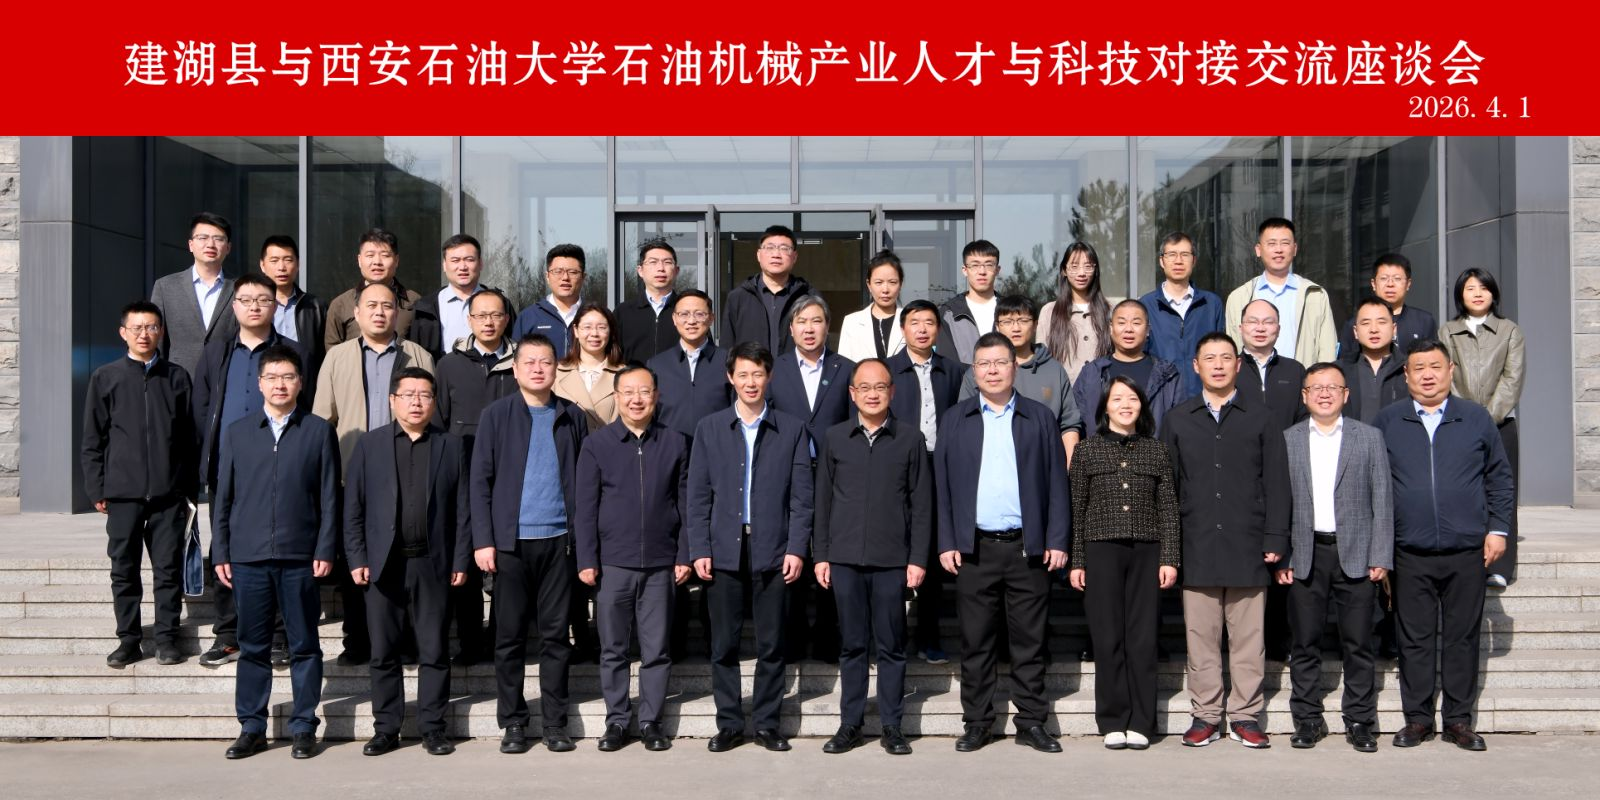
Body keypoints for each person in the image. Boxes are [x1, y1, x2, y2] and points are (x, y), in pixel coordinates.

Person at [1374, 339, 1514, 752]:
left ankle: (1458, 720)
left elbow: (1499, 477)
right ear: (1406, 375)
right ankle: (1417, 719)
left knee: (1462, 638)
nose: (1428, 375)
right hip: (1409, 550)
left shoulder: (1475, 418)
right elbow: (1374, 484)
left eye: (1435, 366)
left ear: (1451, 370)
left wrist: (1498, 528)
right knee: (1413, 639)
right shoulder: (1388, 421)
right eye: (1418, 368)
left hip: (1466, 548)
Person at [936, 332, 1070, 755]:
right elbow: (942, 486)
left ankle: (1031, 722)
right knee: (976, 642)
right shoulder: (955, 419)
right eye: (983, 364)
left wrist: (1056, 538)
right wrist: (946, 540)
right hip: (974, 549)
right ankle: (977, 723)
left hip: (1027, 548)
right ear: (973, 371)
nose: (992, 371)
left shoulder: (1039, 417)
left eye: (999, 363)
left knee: (1029, 642)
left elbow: (1057, 483)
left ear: (1014, 367)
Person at [1160, 332, 1291, 749]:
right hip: (1196, 543)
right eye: (1209, 358)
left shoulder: (1262, 417)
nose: (1217, 365)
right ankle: (1205, 714)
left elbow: (1277, 482)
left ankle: (1245, 716)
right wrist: (1170, 548)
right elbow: (1167, 489)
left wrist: (1276, 536)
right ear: (1195, 366)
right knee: (1200, 639)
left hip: (1248, 543)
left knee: (1249, 640)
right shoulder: (1178, 419)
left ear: (1238, 365)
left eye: (1225, 358)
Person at [211, 345, 339, 761]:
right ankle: (252, 727)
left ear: (300, 383)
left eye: (288, 377)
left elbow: (329, 497)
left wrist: (325, 546)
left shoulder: (318, 431)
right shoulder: (238, 432)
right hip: (248, 557)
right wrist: (221, 551)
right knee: (253, 646)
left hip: (300, 556)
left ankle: (303, 726)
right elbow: (223, 499)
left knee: (304, 645)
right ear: (260, 383)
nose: (280, 384)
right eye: (272, 377)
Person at [687, 342, 813, 753]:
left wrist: (797, 548)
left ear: (769, 377)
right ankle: (728, 723)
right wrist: (699, 548)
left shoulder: (791, 429)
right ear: (731, 378)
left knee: (772, 645)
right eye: (743, 374)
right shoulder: (710, 428)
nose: (750, 382)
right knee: (723, 644)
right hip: (723, 549)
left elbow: (802, 497)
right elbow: (698, 495)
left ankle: (766, 724)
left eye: (757, 373)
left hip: (774, 549)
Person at [470, 333, 589, 755]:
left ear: (557, 368)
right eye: (530, 362)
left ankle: (555, 723)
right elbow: (480, 481)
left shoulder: (572, 415)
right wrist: (484, 541)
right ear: (516, 369)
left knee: (556, 638)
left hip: (559, 543)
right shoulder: (496, 415)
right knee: (509, 638)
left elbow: (584, 483)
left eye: (546, 362)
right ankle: (514, 723)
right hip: (510, 546)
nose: (538, 369)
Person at [344, 367, 470, 757]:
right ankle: (386, 729)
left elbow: (463, 509)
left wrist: (460, 558)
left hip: (433, 563)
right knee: (383, 652)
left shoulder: (451, 446)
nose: (417, 402)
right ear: (392, 400)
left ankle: (433, 728)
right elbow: (354, 507)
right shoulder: (370, 445)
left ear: (434, 402)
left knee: (434, 651)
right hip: (384, 564)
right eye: (408, 395)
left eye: (425, 395)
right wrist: (356, 556)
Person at [813, 359, 932, 756]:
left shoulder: (910, 439)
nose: (872, 394)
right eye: (864, 387)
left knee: (891, 645)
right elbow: (823, 501)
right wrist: (821, 555)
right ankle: (850, 724)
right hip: (844, 558)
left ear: (892, 391)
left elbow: (921, 505)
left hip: (891, 559)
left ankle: (892, 726)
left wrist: (917, 559)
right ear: (852, 394)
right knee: (851, 645)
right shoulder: (835, 438)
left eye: (880, 387)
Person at [313, 280, 434, 665]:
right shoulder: (338, 357)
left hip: (409, 474)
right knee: (358, 559)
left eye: (387, 305)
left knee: (406, 563)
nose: (380, 312)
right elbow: (323, 420)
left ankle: (408, 639)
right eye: (372, 306)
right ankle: (357, 640)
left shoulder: (417, 354)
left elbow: (431, 414)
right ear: (357, 313)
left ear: (397, 313)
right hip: (355, 475)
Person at [573, 365, 692, 753]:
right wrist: (587, 558)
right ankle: (617, 721)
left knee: (656, 650)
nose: (636, 399)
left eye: (644, 391)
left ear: (656, 396)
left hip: (661, 562)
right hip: (613, 564)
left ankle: (651, 721)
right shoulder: (597, 444)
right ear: (617, 397)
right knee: (613, 649)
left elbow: (686, 504)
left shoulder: (675, 443)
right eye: (628, 392)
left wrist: (684, 553)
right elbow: (586, 508)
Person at [1276, 363, 1393, 753]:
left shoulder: (1368, 437)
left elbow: (1382, 500)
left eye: (1333, 387)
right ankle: (1307, 718)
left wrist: (1381, 555)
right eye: (1316, 387)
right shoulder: (1288, 439)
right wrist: (1283, 556)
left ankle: (1360, 720)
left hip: (1357, 552)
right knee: (1304, 642)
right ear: (1304, 395)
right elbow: (1280, 504)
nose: (1324, 393)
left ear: (1346, 395)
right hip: (1305, 552)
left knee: (1358, 642)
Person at [80, 301, 198, 668]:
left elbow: (189, 439)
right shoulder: (106, 377)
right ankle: (128, 641)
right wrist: (97, 488)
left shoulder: (177, 377)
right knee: (124, 570)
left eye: (151, 327)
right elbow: (92, 439)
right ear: (123, 332)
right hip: (123, 494)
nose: (144, 334)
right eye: (137, 327)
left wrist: (187, 489)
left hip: (168, 495)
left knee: (167, 570)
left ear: (160, 332)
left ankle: (167, 639)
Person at [192, 273, 299, 668]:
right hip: (227, 469)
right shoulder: (216, 351)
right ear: (233, 306)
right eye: (246, 299)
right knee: (225, 547)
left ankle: (278, 635)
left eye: (263, 299)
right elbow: (201, 409)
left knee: (278, 549)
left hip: (279, 467)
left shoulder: (292, 351)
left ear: (275, 305)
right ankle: (228, 634)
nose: (255, 306)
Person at [1067, 376, 1180, 751]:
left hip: (1147, 551)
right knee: (1107, 636)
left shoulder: (1156, 450)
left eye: (1132, 398)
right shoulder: (1087, 451)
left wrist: (1169, 557)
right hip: (1100, 549)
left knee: (1143, 638)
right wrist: (1077, 560)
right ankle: (1113, 719)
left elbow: (1168, 508)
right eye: (1117, 399)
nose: (1125, 405)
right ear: (1105, 407)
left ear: (1142, 405)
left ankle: (1142, 721)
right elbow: (1077, 509)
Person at [432, 288, 517, 663]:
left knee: (505, 563)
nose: (489, 322)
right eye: (481, 315)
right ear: (469, 320)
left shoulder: (519, 363)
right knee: (465, 557)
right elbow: (439, 421)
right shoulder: (449, 365)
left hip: (509, 475)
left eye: (496, 315)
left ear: (506, 319)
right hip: (462, 473)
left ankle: (499, 640)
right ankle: (468, 642)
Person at [767, 294, 852, 662]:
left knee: (832, 554)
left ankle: (829, 639)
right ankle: (794, 637)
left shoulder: (845, 369)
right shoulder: (775, 369)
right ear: (791, 329)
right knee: (793, 554)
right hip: (788, 475)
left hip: (835, 476)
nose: (809, 328)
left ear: (827, 326)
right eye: (802, 322)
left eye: (816, 320)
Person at [886, 299, 968, 665]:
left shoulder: (954, 371)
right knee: (894, 549)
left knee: (932, 552)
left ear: (938, 330)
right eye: (915, 322)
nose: (922, 329)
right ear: (903, 328)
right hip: (895, 467)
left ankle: (929, 637)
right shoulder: (887, 370)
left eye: (929, 323)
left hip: (939, 465)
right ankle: (893, 639)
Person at [1440, 268, 1525, 589]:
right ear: (1460, 294)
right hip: (1458, 424)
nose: (1477, 293)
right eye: (1470, 288)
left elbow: (1512, 379)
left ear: (1493, 293)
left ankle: (1500, 566)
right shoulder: (1448, 331)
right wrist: (1466, 417)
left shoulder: (1509, 331)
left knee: (1502, 491)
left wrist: (1486, 419)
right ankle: (1470, 559)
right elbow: (1445, 375)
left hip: (1501, 424)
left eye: (1483, 288)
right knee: (1465, 491)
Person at [958, 294, 1083, 463]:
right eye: (1008, 321)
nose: (1016, 328)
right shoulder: (982, 371)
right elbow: (964, 422)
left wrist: (1068, 469)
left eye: (1023, 321)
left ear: (1035, 324)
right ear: (997, 326)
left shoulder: (1054, 370)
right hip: (991, 461)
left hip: (1043, 462)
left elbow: (1069, 424)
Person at [1225, 218, 1337, 365]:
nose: (1279, 249)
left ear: (1294, 249)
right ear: (1258, 250)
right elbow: (1233, 349)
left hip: (1303, 377)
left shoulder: (1315, 295)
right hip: (1254, 377)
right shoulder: (1239, 298)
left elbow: (1327, 349)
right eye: (1271, 243)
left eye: (1285, 243)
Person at [1071, 300, 1181, 439]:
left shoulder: (1167, 374)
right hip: (1100, 451)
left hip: (1155, 451)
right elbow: (1074, 421)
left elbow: (1179, 423)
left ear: (1147, 330)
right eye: (1121, 323)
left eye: (1136, 323)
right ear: (1111, 328)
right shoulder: (1092, 373)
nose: (1128, 329)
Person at [149, 212, 238, 377]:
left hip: (225, 379)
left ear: (228, 247)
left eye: (218, 239)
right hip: (177, 379)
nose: (210, 244)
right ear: (191, 245)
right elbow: (156, 339)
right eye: (203, 238)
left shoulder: (240, 288)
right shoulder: (165, 286)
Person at [1140, 231, 1224, 399]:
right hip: (1161, 399)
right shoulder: (1146, 305)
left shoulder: (1211, 304)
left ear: (1194, 260)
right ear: (1162, 261)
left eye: (1185, 254)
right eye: (1171, 254)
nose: (1178, 261)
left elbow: (1221, 352)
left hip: (1204, 398)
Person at [647, 289, 733, 442]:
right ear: (674, 319)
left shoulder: (728, 361)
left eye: (699, 314)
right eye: (684, 314)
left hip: (717, 448)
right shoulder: (657, 365)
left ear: (711, 318)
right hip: (670, 450)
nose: (691, 321)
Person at [324, 228, 421, 352]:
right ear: (359, 260)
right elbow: (333, 352)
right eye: (370, 255)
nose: (377, 262)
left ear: (396, 260)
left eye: (385, 255)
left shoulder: (414, 302)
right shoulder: (341, 304)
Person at [411, 233, 504, 360]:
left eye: (469, 260)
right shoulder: (425, 307)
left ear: (480, 263)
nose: (462, 267)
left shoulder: (501, 304)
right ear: (444, 265)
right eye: (455, 260)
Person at [722, 225, 813, 353]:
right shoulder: (738, 297)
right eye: (770, 248)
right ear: (759, 255)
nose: (776, 254)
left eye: (784, 248)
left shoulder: (808, 296)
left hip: (796, 367)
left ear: (794, 257)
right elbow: (727, 347)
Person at [1039, 241, 1113, 383]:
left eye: (1088, 266)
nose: (1081, 273)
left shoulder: (1110, 310)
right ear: (1064, 270)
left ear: (1095, 270)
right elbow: (1042, 357)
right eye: (1074, 266)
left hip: (1102, 391)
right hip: (1064, 391)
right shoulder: (1050, 311)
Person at [1337, 254, 1438, 357]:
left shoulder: (1424, 321)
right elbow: (1345, 362)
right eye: (1384, 278)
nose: (1390, 284)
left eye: (1397, 279)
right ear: (1373, 284)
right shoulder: (1355, 324)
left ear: (1408, 284)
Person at [1236, 299, 1310, 434]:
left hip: (1287, 445)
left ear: (1278, 329)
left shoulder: (1295, 370)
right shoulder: (1229, 369)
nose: (1260, 328)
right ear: (1241, 328)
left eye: (1268, 322)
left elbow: (1305, 417)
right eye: (1253, 322)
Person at [260, 234, 327, 378]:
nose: (281, 267)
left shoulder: (316, 307)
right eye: (274, 261)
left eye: (288, 260)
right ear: (262, 265)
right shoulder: (254, 306)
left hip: (304, 382)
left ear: (298, 265)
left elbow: (324, 355)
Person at [553, 305, 626, 432]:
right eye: (587, 327)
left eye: (602, 327)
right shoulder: (556, 373)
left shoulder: (625, 375)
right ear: (576, 330)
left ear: (610, 331)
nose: (594, 334)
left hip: (608, 443)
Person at [511, 243, 589, 361]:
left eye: (573, 272)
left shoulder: (595, 316)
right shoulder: (528, 317)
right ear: (547, 276)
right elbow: (517, 362)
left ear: (583, 277)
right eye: (558, 271)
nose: (565, 278)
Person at [1340, 296, 1410, 424]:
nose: (1374, 330)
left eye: (1381, 322)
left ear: (1394, 329)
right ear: (1355, 331)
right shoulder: (1340, 371)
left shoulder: (1409, 369)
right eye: (1366, 323)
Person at [935, 240, 1002, 364]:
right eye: (975, 265)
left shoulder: (1010, 310)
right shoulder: (948, 313)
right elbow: (946, 363)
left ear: (997, 270)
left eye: (989, 265)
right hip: (963, 377)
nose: (982, 272)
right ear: (965, 270)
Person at [616, 239, 682, 364]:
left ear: (676, 270)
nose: (660, 268)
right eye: (653, 262)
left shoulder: (687, 311)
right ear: (640, 271)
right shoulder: (623, 312)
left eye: (667, 262)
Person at [837, 249, 906, 362]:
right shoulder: (852, 322)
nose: (885, 290)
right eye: (878, 282)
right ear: (869, 285)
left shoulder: (911, 321)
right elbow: (844, 366)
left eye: (892, 282)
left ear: (901, 284)